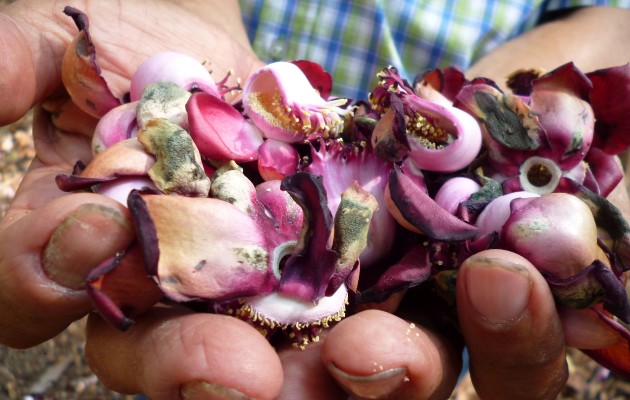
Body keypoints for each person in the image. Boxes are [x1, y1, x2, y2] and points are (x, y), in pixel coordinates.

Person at [0, 1, 628, 399]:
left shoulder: (442, 188)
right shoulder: (273, 178)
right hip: (320, 190)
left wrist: (496, 110)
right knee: (205, 364)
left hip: (399, 223)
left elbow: (609, 15)